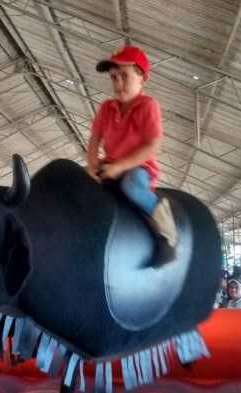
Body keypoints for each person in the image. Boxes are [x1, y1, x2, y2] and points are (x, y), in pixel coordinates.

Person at [88, 46, 177, 267]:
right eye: (113, 77)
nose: (118, 84)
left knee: (132, 187)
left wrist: (120, 167)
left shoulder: (148, 106)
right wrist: (91, 167)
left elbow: (153, 146)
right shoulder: (106, 108)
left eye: (125, 77)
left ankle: (169, 236)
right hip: (109, 166)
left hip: (139, 167)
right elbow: (94, 140)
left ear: (143, 78)